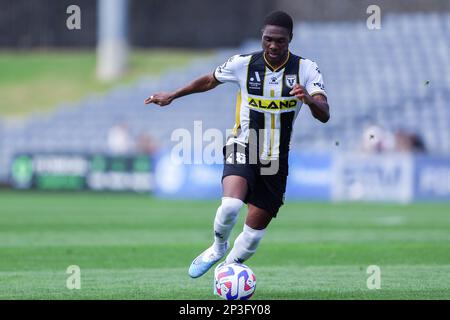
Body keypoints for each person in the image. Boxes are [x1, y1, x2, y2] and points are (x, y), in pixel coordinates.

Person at [144, 11, 330, 278]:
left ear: (290, 39)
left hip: (275, 158)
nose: (273, 46)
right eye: (268, 39)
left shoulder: (306, 69)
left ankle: (226, 270)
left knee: (253, 236)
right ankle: (218, 247)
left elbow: (325, 113)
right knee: (230, 205)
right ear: (262, 37)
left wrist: (310, 101)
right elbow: (209, 79)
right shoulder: (243, 64)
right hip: (243, 144)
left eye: (280, 40)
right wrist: (173, 95)